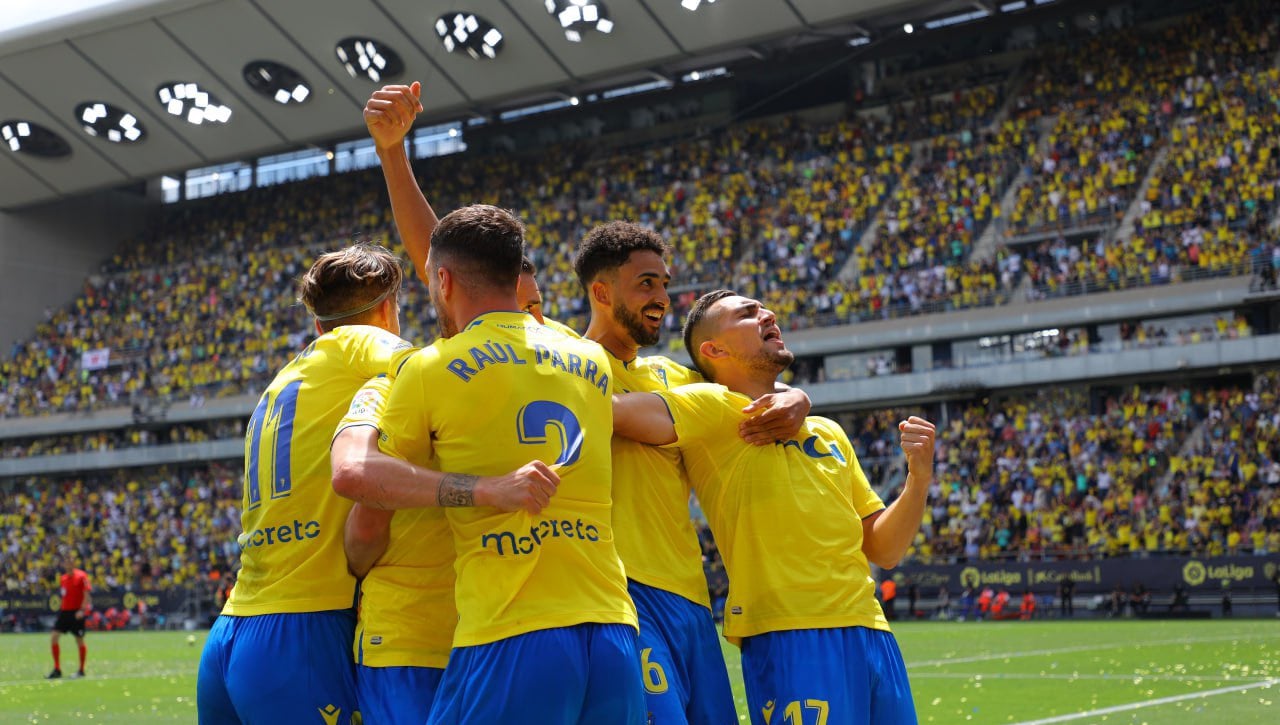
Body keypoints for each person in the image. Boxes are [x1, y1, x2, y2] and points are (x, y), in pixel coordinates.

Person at [365, 81, 807, 724]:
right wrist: (395, 159)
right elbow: (456, 264)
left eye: (665, 285)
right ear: (602, 293)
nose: (661, 297)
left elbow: (745, 397)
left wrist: (794, 396)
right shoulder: (562, 355)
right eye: (645, 284)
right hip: (611, 594)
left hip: (684, 599)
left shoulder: (675, 380)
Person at [335, 204, 644, 724]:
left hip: (512, 628)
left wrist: (482, 490)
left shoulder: (430, 369)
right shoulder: (590, 362)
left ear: (444, 279)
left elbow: (364, 479)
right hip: (612, 625)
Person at [614, 289, 936, 725]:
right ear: (714, 350)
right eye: (748, 314)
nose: (767, 314)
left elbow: (884, 549)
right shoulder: (710, 409)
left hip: (871, 628)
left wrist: (919, 477)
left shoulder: (829, 432)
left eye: (763, 308)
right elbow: (609, 411)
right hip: (788, 633)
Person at [196, 243, 415, 724]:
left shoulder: (283, 379)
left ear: (317, 324)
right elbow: (434, 373)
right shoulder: (363, 345)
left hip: (234, 629)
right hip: (302, 633)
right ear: (386, 309)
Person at [48, 553, 91, 679]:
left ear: (74, 563)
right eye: (66, 562)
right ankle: (57, 669)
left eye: (71, 561)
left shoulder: (82, 576)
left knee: (79, 640)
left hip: (77, 612)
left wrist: (82, 610)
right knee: (54, 637)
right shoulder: (63, 578)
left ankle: (81, 670)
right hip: (65, 612)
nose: (68, 564)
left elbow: (86, 594)